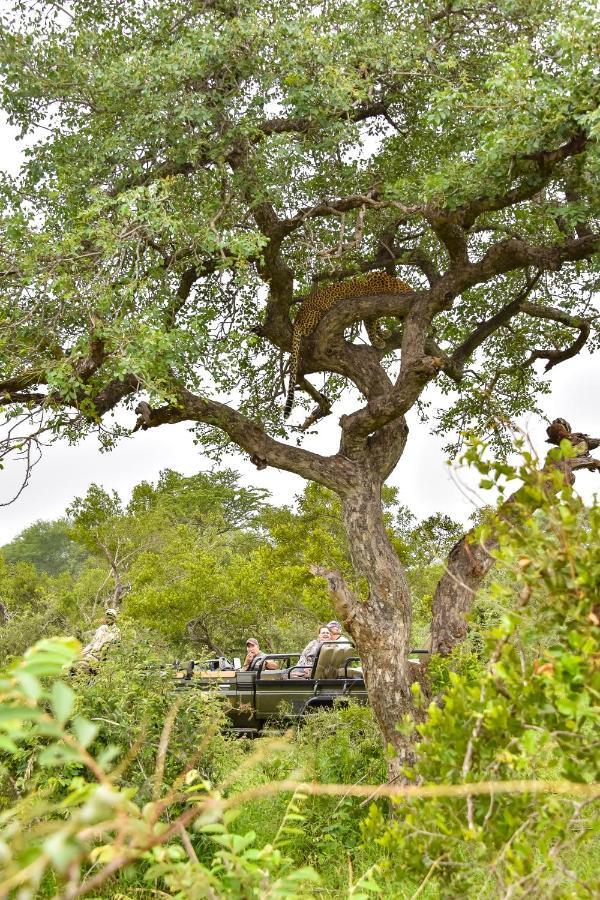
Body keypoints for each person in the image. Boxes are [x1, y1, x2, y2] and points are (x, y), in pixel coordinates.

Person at [76, 608, 121, 673]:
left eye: (110, 618)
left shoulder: (116, 632)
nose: (108, 620)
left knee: (81, 667)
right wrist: (81, 654)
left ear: (114, 619)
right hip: (90, 655)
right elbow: (92, 643)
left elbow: (114, 650)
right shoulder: (102, 628)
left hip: (100, 659)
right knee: (72, 663)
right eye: (107, 617)